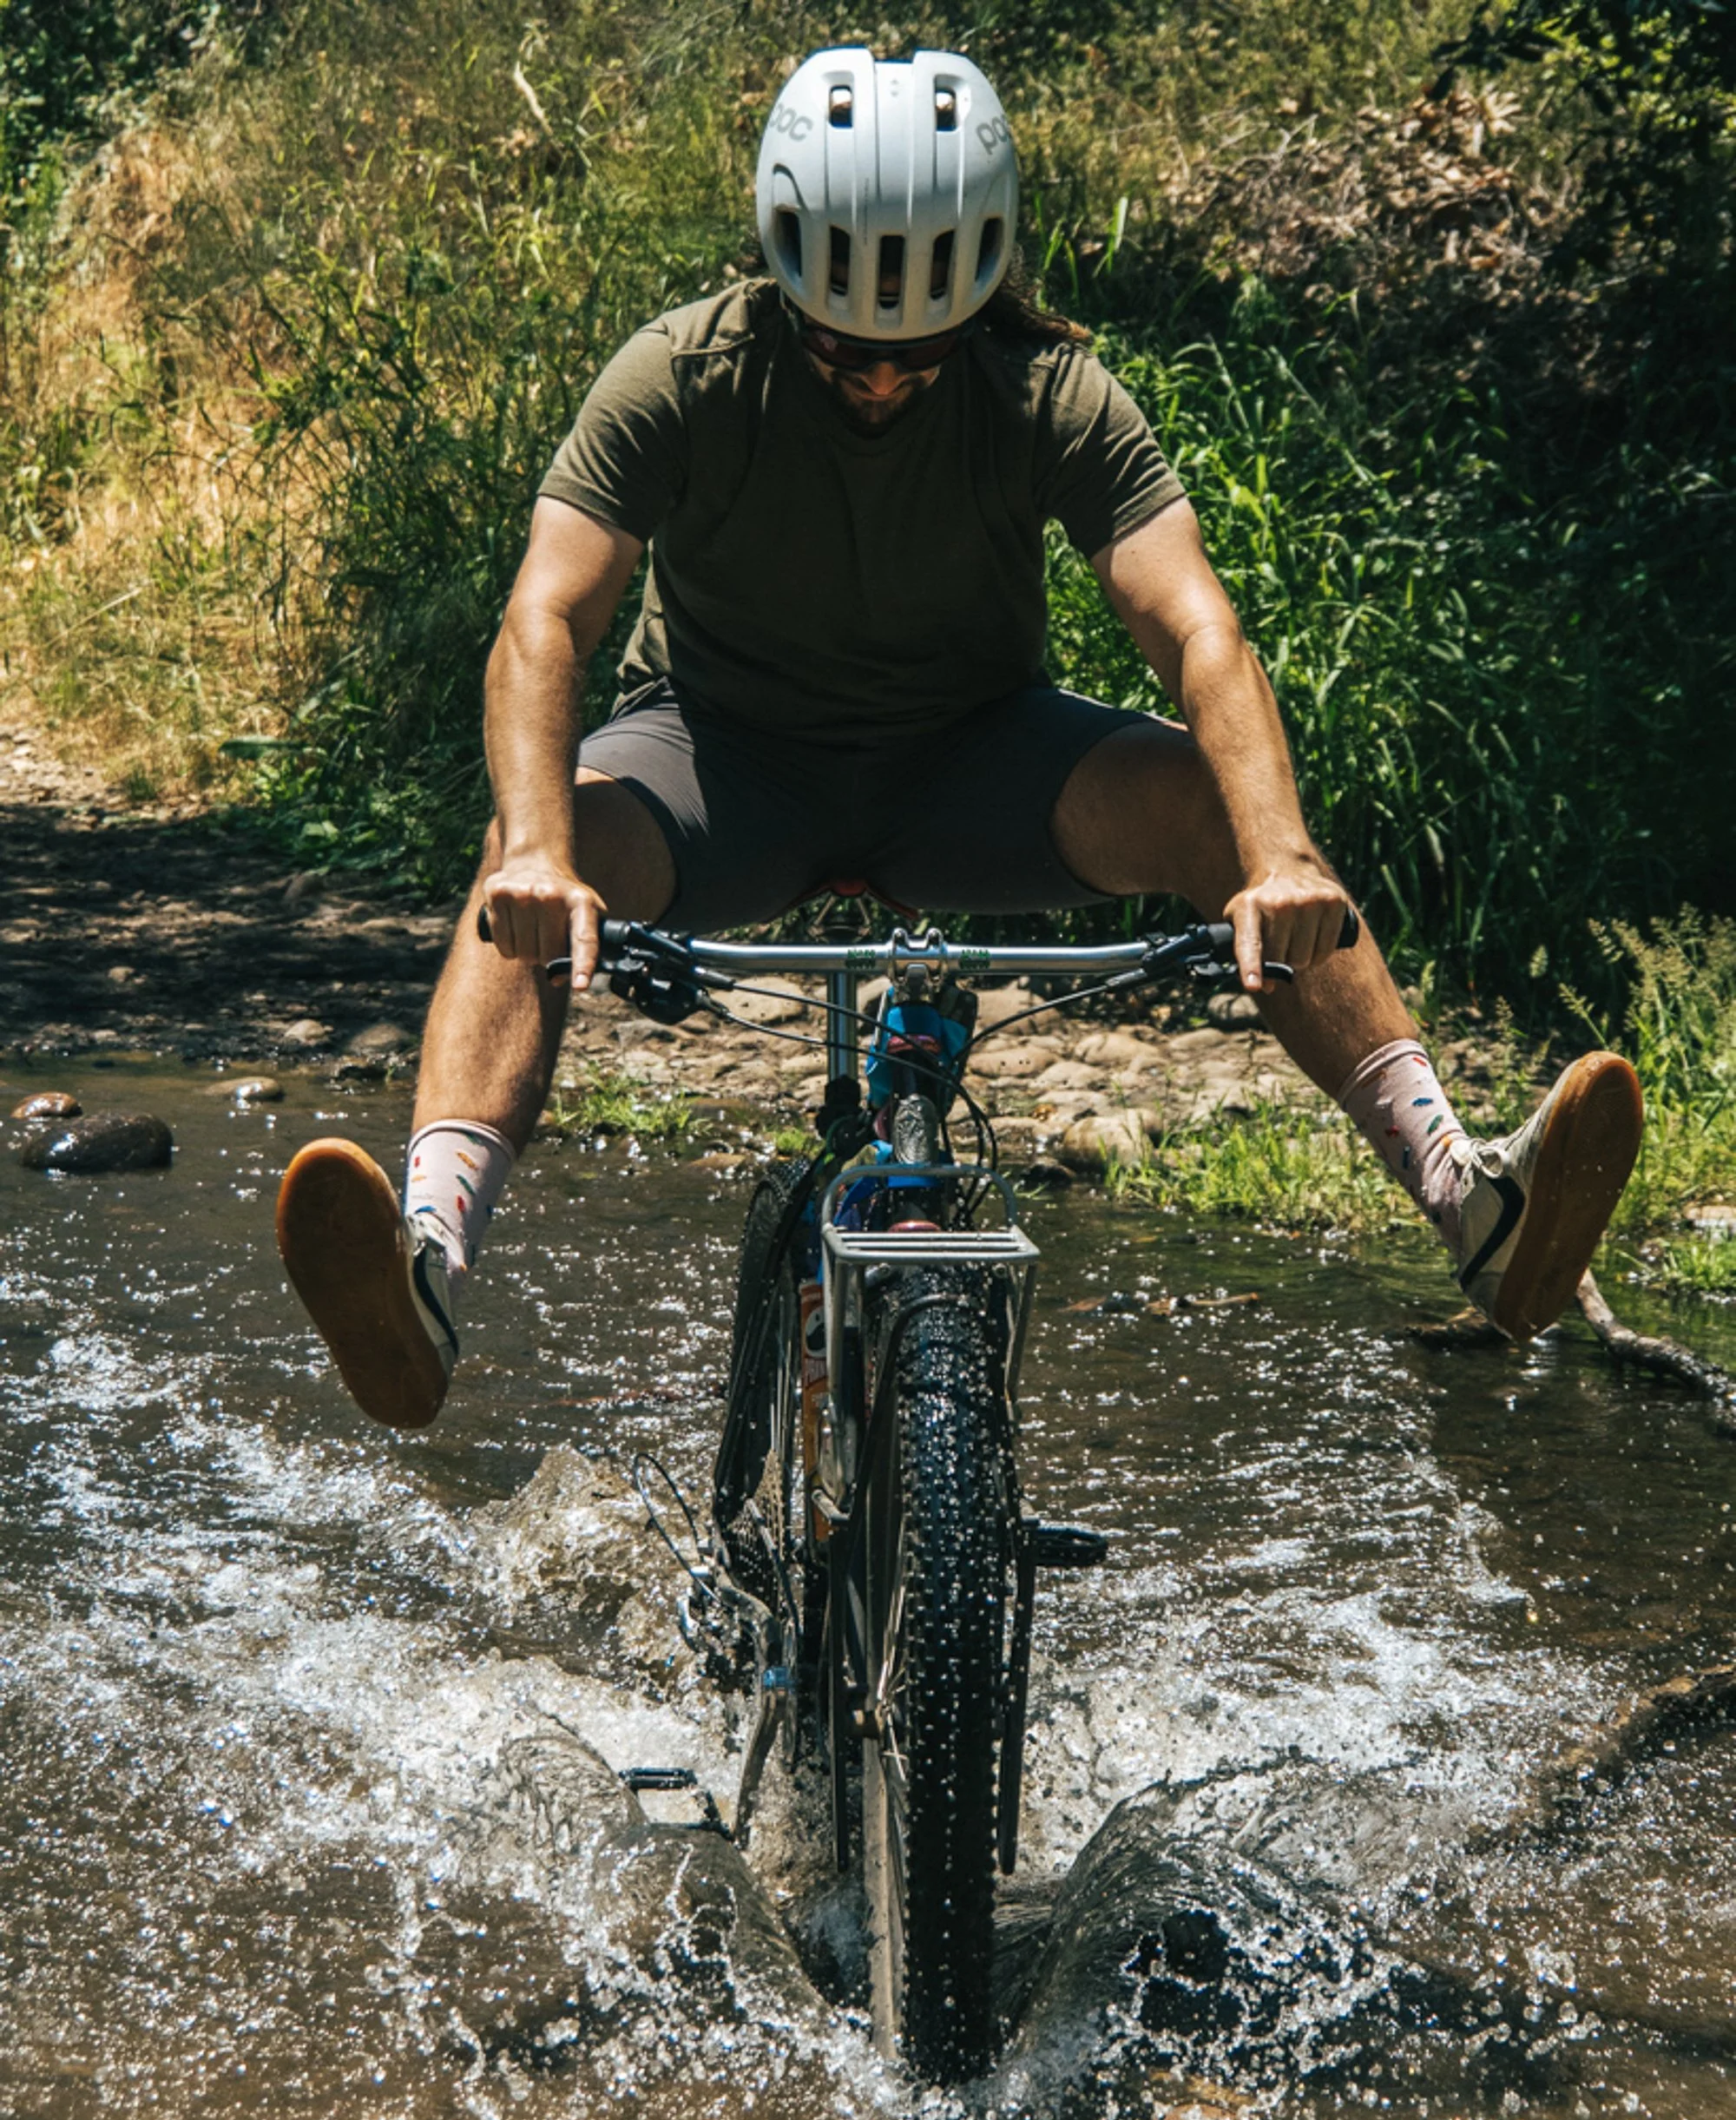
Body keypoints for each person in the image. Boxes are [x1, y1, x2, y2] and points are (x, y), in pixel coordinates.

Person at [274, 45, 1643, 1430]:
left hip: (973, 767)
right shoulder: (676, 375)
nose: (877, 381)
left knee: (1218, 819)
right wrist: (549, 856)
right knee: (522, 856)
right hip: (717, 762)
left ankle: (1469, 1206)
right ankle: (430, 1269)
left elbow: (1197, 631)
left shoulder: (1051, 394)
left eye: (918, 354)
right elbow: (547, 621)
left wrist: (1282, 856)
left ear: (979, 296)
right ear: (783, 274)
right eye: (841, 348)